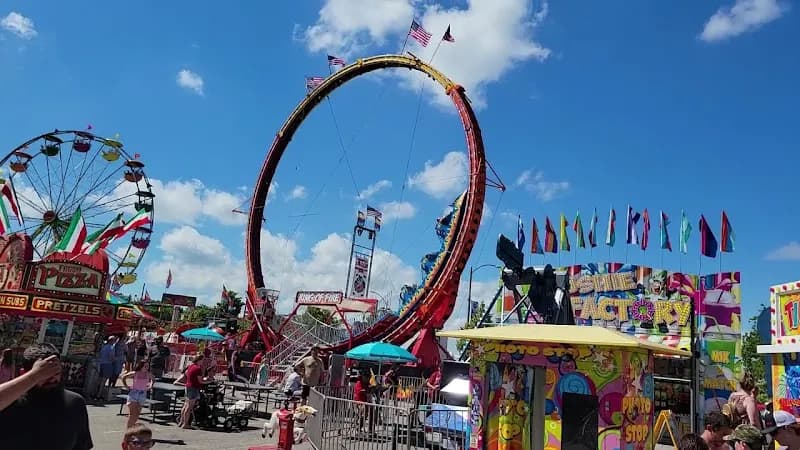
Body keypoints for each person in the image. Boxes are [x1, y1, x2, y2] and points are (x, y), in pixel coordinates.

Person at [0, 343, 93, 449]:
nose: (52, 379)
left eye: (56, 373)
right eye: (45, 375)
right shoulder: (9, 401)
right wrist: (34, 376)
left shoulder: (75, 402)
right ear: (24, 373)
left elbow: (81, 446)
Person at [174, 353, 211, 429]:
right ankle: (185, 424)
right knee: (189, 407)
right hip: (193, 387)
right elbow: (200, 381)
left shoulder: (190, 366)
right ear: (199, 360)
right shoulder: (198, 368)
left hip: (188, 386)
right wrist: (209, 381)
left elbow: (189, 375)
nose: (203, 361)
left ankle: (181, 421)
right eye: (202, 360)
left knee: (185, 405)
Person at [120, 360, 154, 428]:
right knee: (132, 414)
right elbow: (124, 377)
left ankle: (132, 429)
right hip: (134, 393)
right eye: (145, 366)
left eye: (148, 366)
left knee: (137, 414)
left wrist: (151, 386)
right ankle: (128, 430)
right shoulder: (135, 373)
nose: (147, 367)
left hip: (142, 394)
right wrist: (126, 386)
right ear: (141, 366)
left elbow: (153, 379)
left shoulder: (148, 374)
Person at [95, 336, 117, 401]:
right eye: (114, 340)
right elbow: (111, 358)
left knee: (99, 380)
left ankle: (95, 393)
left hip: (101, 363)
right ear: (112, 341)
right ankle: (98, 395)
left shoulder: (104, 346)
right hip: (107, 364)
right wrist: (115, 359)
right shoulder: (112, 348)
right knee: (103, 381)